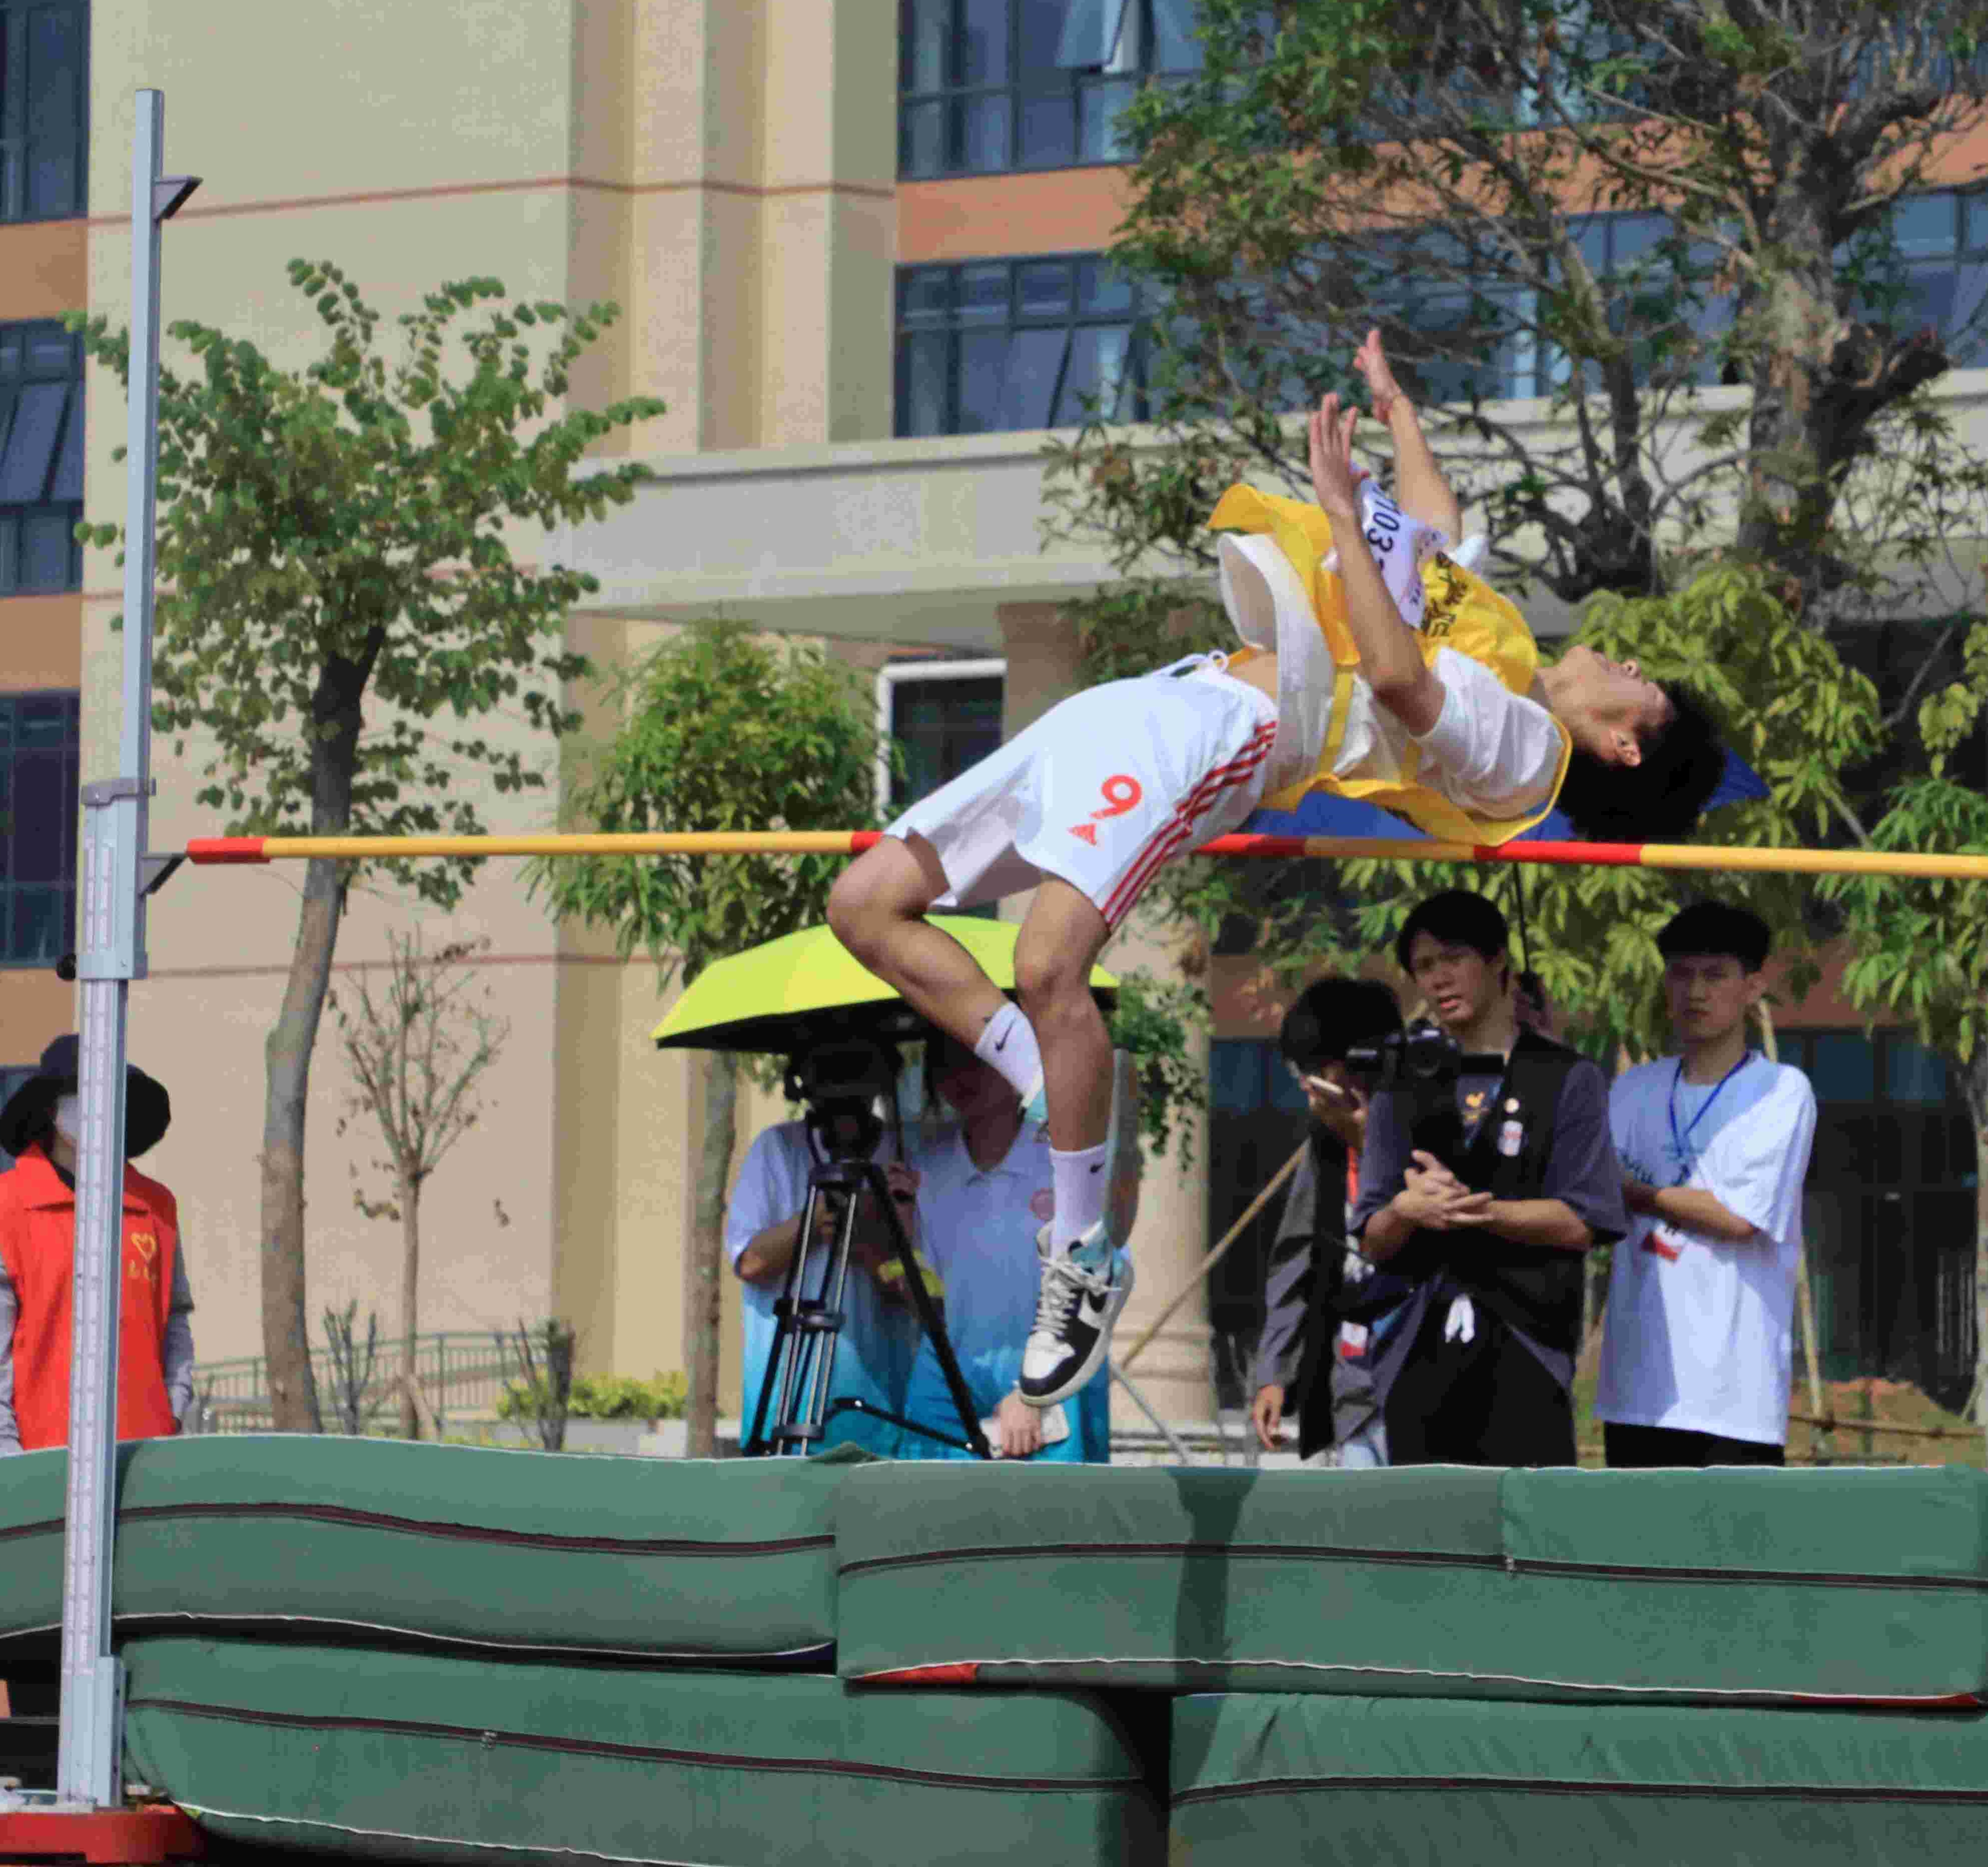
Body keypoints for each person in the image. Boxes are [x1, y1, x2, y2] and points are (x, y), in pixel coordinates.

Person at [825, 330, 1726, 1416]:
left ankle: (1081, 1255)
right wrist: (1398, 411)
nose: (1627, 661)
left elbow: (1395, 681)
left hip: (1219, 736)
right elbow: (1435, 529)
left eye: (1644, 687)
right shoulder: (1501, 654)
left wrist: (1340, 508)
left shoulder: (1523, 746)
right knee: (864, 904)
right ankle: (1043, 1077)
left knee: (1048, 965)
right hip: (1147, 701)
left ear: (1623, 746)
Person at [1351, 890, 1629, 1467]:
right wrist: (1406, 1210)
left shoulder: (1568, 1078)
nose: (1438, 978)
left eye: (1454, 958)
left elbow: (1584, 1220)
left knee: (1529, 1516)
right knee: (1425, 1517)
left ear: (1498, 959)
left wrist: (1473, 1211)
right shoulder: (1400, 1083)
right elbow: (1373, 1235)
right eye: (1424, 966)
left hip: (1530, 1343)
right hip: (1416, 1347)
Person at [1601, 902, 1818, 1468]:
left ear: (1753, 986)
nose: (1695, 991)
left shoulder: (1781, 1090)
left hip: (1733, 1400)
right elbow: (1590, 1191)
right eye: (1681, 974)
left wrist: (1640, 1194)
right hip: (1636, 1394)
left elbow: (1739, 1219)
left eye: (1715, 975)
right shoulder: (1632, 1089)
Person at [0, 1036, 195, 1458]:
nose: (102, 1107)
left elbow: (173, 1317)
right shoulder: (2, 1208)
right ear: (52, 1110)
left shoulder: (157, 1206)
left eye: (112, 1094)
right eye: (87, 1092)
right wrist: (4, 1451)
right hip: (33, 1458)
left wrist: (174, 1407)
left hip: (145, 1453)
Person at [889, 1034, 1113, 1462]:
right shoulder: (926, 1168)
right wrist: (902, 1230)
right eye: (947, 1062)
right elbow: (929, 1305)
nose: (962, 1075)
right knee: (928, 1500)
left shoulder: (1065, 1158)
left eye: (979, 1058)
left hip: (1053, 1375)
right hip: (946, 1380)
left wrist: (1034, 1392)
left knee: (1051, 1508)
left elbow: (1097, 1284)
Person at [727, 1041, 922, 1457]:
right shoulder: (776, 1149)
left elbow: (922, 1292)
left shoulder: (904, 1154)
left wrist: (870, 1233)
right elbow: (750, 1262)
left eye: (857, 1067)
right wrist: (815, 1221)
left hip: (883, 1415)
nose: (843, 1085)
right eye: (830, 1070)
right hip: (784, 1415)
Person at [1250, 977, 1406, 1467]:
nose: (1307, 1084)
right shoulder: (1325, 1149)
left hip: (1421, 1389)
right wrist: (1275, 1372)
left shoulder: (1425, 1127)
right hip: (1351, 1397)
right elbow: (1296, 1261)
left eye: (1315, 1068)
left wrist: (1365, 1137)